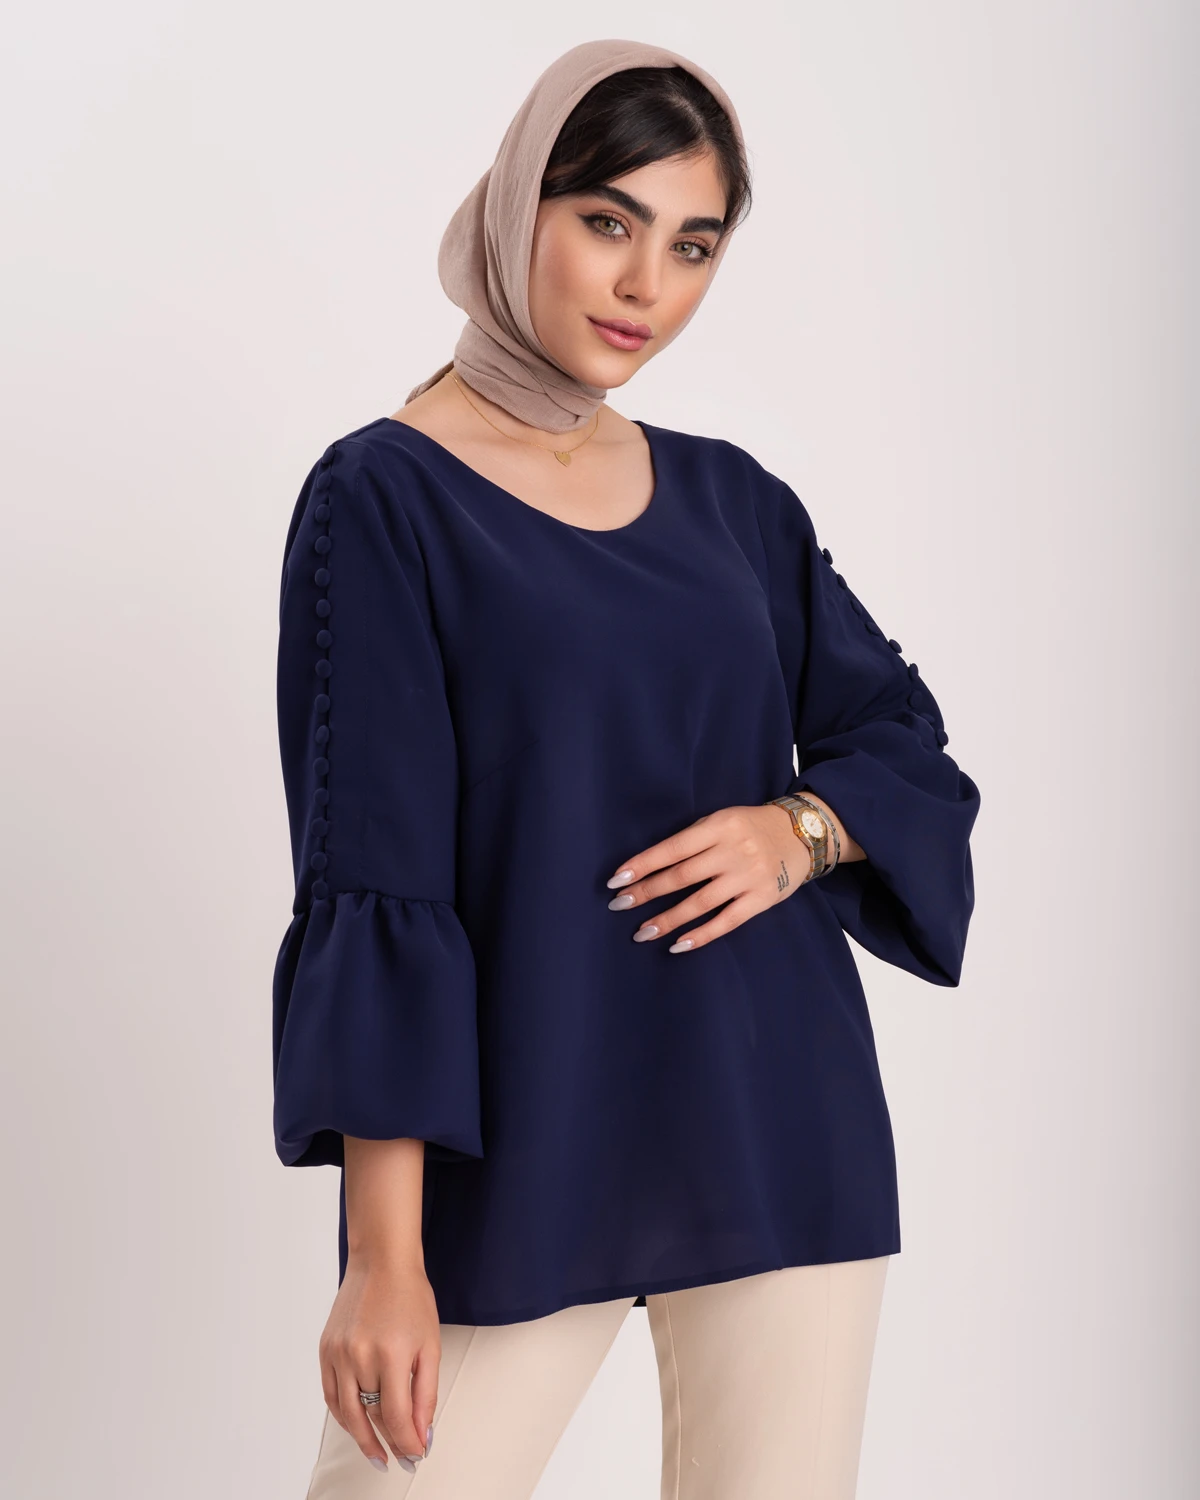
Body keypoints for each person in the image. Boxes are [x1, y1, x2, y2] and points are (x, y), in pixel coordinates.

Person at [270, 37, 981, 1500]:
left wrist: (801, 829)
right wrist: (385, 1257)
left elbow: (900, 738)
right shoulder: (384, 498)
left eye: (692, 245)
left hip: (773, 1120)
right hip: (525, 1136)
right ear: (516, 203)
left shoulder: (733, 502)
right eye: (608, 220)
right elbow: (376, 879)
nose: (645, 284)